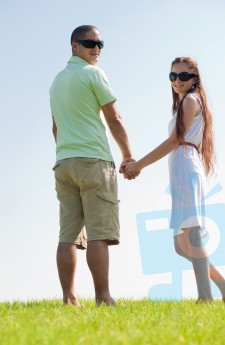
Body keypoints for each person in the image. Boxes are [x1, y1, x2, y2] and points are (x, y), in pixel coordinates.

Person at [124, 57, 225, 303]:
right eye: (173, 76)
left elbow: (174, 140)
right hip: (181, 169)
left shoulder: (190, 100)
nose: (177, 81)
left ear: (194, 79)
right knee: (181, 245)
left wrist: (138, 165)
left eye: (183, 76)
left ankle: (205, 298)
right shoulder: (182, 104)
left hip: (186, 167)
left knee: (193, 234)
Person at [50, 25, 137, 306]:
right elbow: (114, 119)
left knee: (68, 236)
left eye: (100, 44)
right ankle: (103, 297)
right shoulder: (93, 74)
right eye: (89, 43)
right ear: (74, 46)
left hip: (64, 163)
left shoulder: (57, 81)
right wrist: (128, 155)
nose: (96, 49)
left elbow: (55, 128)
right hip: (94, 161)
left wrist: (67, 152)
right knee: (99, 233)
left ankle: (69, 298)